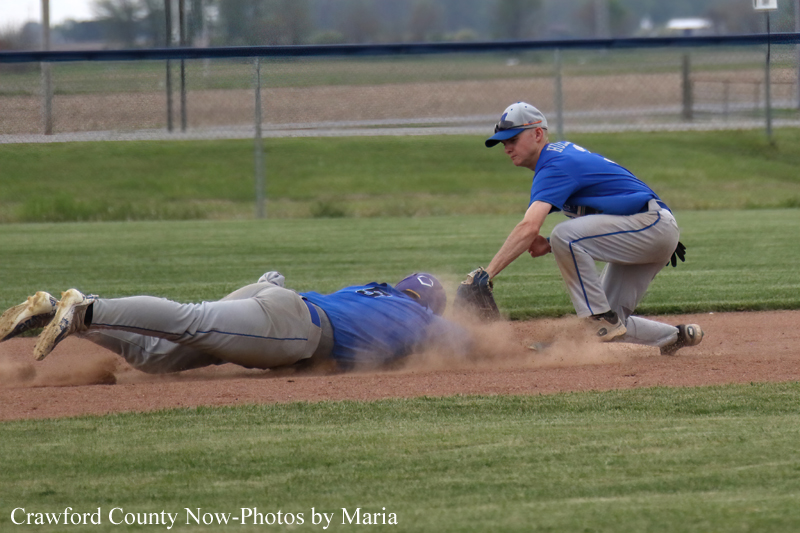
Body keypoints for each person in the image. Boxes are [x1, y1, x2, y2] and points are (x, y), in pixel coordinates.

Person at [471, 102, 703, 355]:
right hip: (648, 226)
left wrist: (487, 273)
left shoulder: (554, 164)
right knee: (610, 325)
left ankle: (596, 319)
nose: (507, 148)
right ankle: (674, 336)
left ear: (537, 134)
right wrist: (549, 243)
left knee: (565, 238)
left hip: (650, 225)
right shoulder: (561, 156)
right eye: (503, 143)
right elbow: (616, 192)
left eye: (512, 139)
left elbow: (528, 226)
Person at [0, 271, 465, 373]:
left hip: (279, 300)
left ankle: (67, 318)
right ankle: (85, 308)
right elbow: (472, 344)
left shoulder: (373, 291)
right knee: (191, 321)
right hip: (290, 326)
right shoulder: (421, 318)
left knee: (156, 359)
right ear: (428, 305)